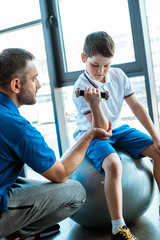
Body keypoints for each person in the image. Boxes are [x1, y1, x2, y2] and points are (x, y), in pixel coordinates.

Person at [0, 48, 112, 240]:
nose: (39, 85)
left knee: (18, 176)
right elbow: (59, 174)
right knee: (75, 191)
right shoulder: (17, 127)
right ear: (16, 85)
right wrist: (90, 134)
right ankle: (17, 233)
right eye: (34, 78)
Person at [72, 31, 160, 240]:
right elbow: (101, 129)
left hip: (119, 129)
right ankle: (118, 228)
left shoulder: (118, 76)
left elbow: (137, 107)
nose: (101, 71)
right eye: (95, 65)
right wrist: (94, 103)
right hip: (92, 134)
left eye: (106, 65)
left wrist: (156, 137)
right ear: (84, 58)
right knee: (114, 164)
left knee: (158, 151)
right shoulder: (80, 88)